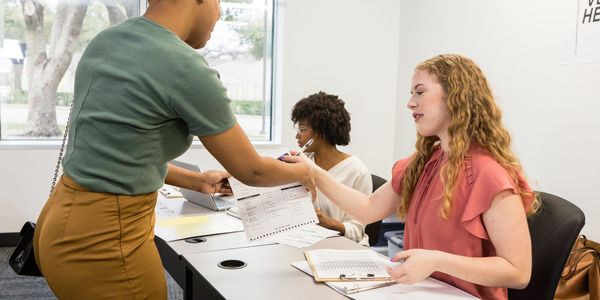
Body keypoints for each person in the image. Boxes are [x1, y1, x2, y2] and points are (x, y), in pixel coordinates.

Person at [32, 0, 314, 299]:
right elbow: (252, 170)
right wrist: (305, 172)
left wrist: (195, 181)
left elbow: (119, 153)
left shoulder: (107, 40)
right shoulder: (184, 66)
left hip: (59, 223)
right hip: (104, 242)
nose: (219, 13)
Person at [285, 54, 540, 299]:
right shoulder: (423, 163)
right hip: (421, 291)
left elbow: (518, 273)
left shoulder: (490, 174)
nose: (410, 102)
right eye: (411, 94)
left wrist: (437, 261)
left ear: (455, 97)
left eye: (419, 92)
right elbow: (367, 210)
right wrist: (312, 171)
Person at [291, 92, 372, 245]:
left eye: (302, 129)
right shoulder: (302, 162)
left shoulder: (357, 171)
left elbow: (357, 232)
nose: (297, 136)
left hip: (345, 249)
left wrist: (328, 223)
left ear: (320, 132)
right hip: (307, 242)